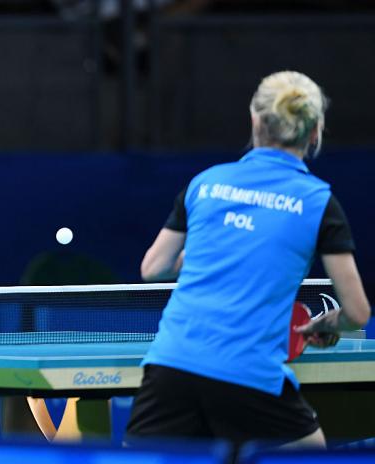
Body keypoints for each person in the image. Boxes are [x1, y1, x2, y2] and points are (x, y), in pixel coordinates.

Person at [125, 71, 370, 448]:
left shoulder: (204, 183)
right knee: (315, 456)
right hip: (248, 373)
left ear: (255, 120)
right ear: (315, 132)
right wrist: (327, 323)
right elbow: (357, 311)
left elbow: (152, 268)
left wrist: (212, 253)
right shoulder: (319, 202)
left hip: (172, 366)